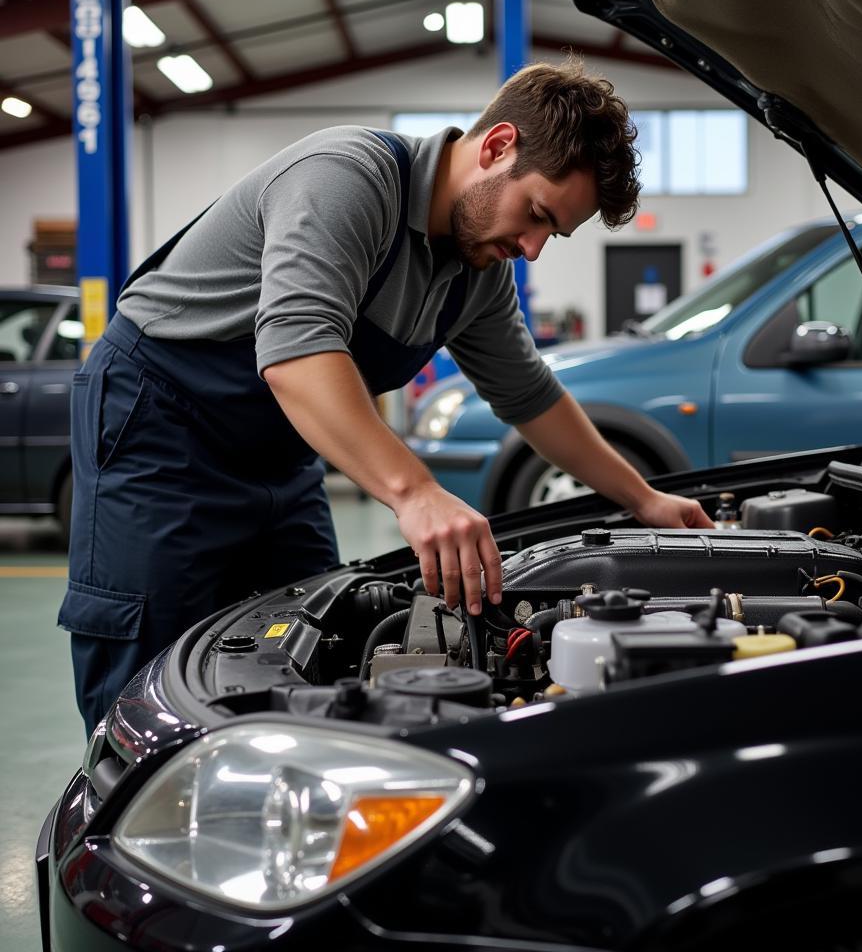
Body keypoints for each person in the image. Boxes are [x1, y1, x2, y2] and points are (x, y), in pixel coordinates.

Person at [59, 59, 713, 733]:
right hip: (160, 422)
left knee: (310, 653)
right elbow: (296, 352)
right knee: (142, 690)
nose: (533, 248)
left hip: (281, 454)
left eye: (553, 233)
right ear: (496, 147)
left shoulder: (477, 271)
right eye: (538, 215)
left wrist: (643, 498)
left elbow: (529, 395)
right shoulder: (347, 179)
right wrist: (415, 491)